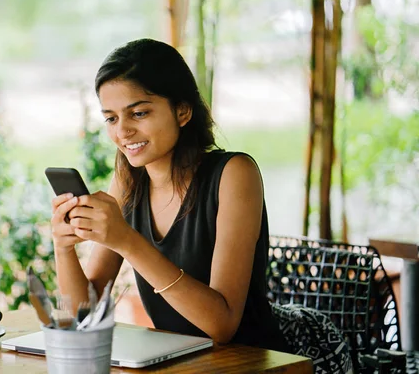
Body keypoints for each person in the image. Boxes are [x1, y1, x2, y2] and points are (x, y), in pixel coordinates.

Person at [50, 38, 289, 352]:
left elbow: (222, 325)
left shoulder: (233, 173)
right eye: (111, 118)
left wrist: (127, 240)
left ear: (182, 110)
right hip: (175, 362)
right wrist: (63, 246)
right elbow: (84, 313)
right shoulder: (128, 182)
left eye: (138, 113)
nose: (122, 132)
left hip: (248, 363)